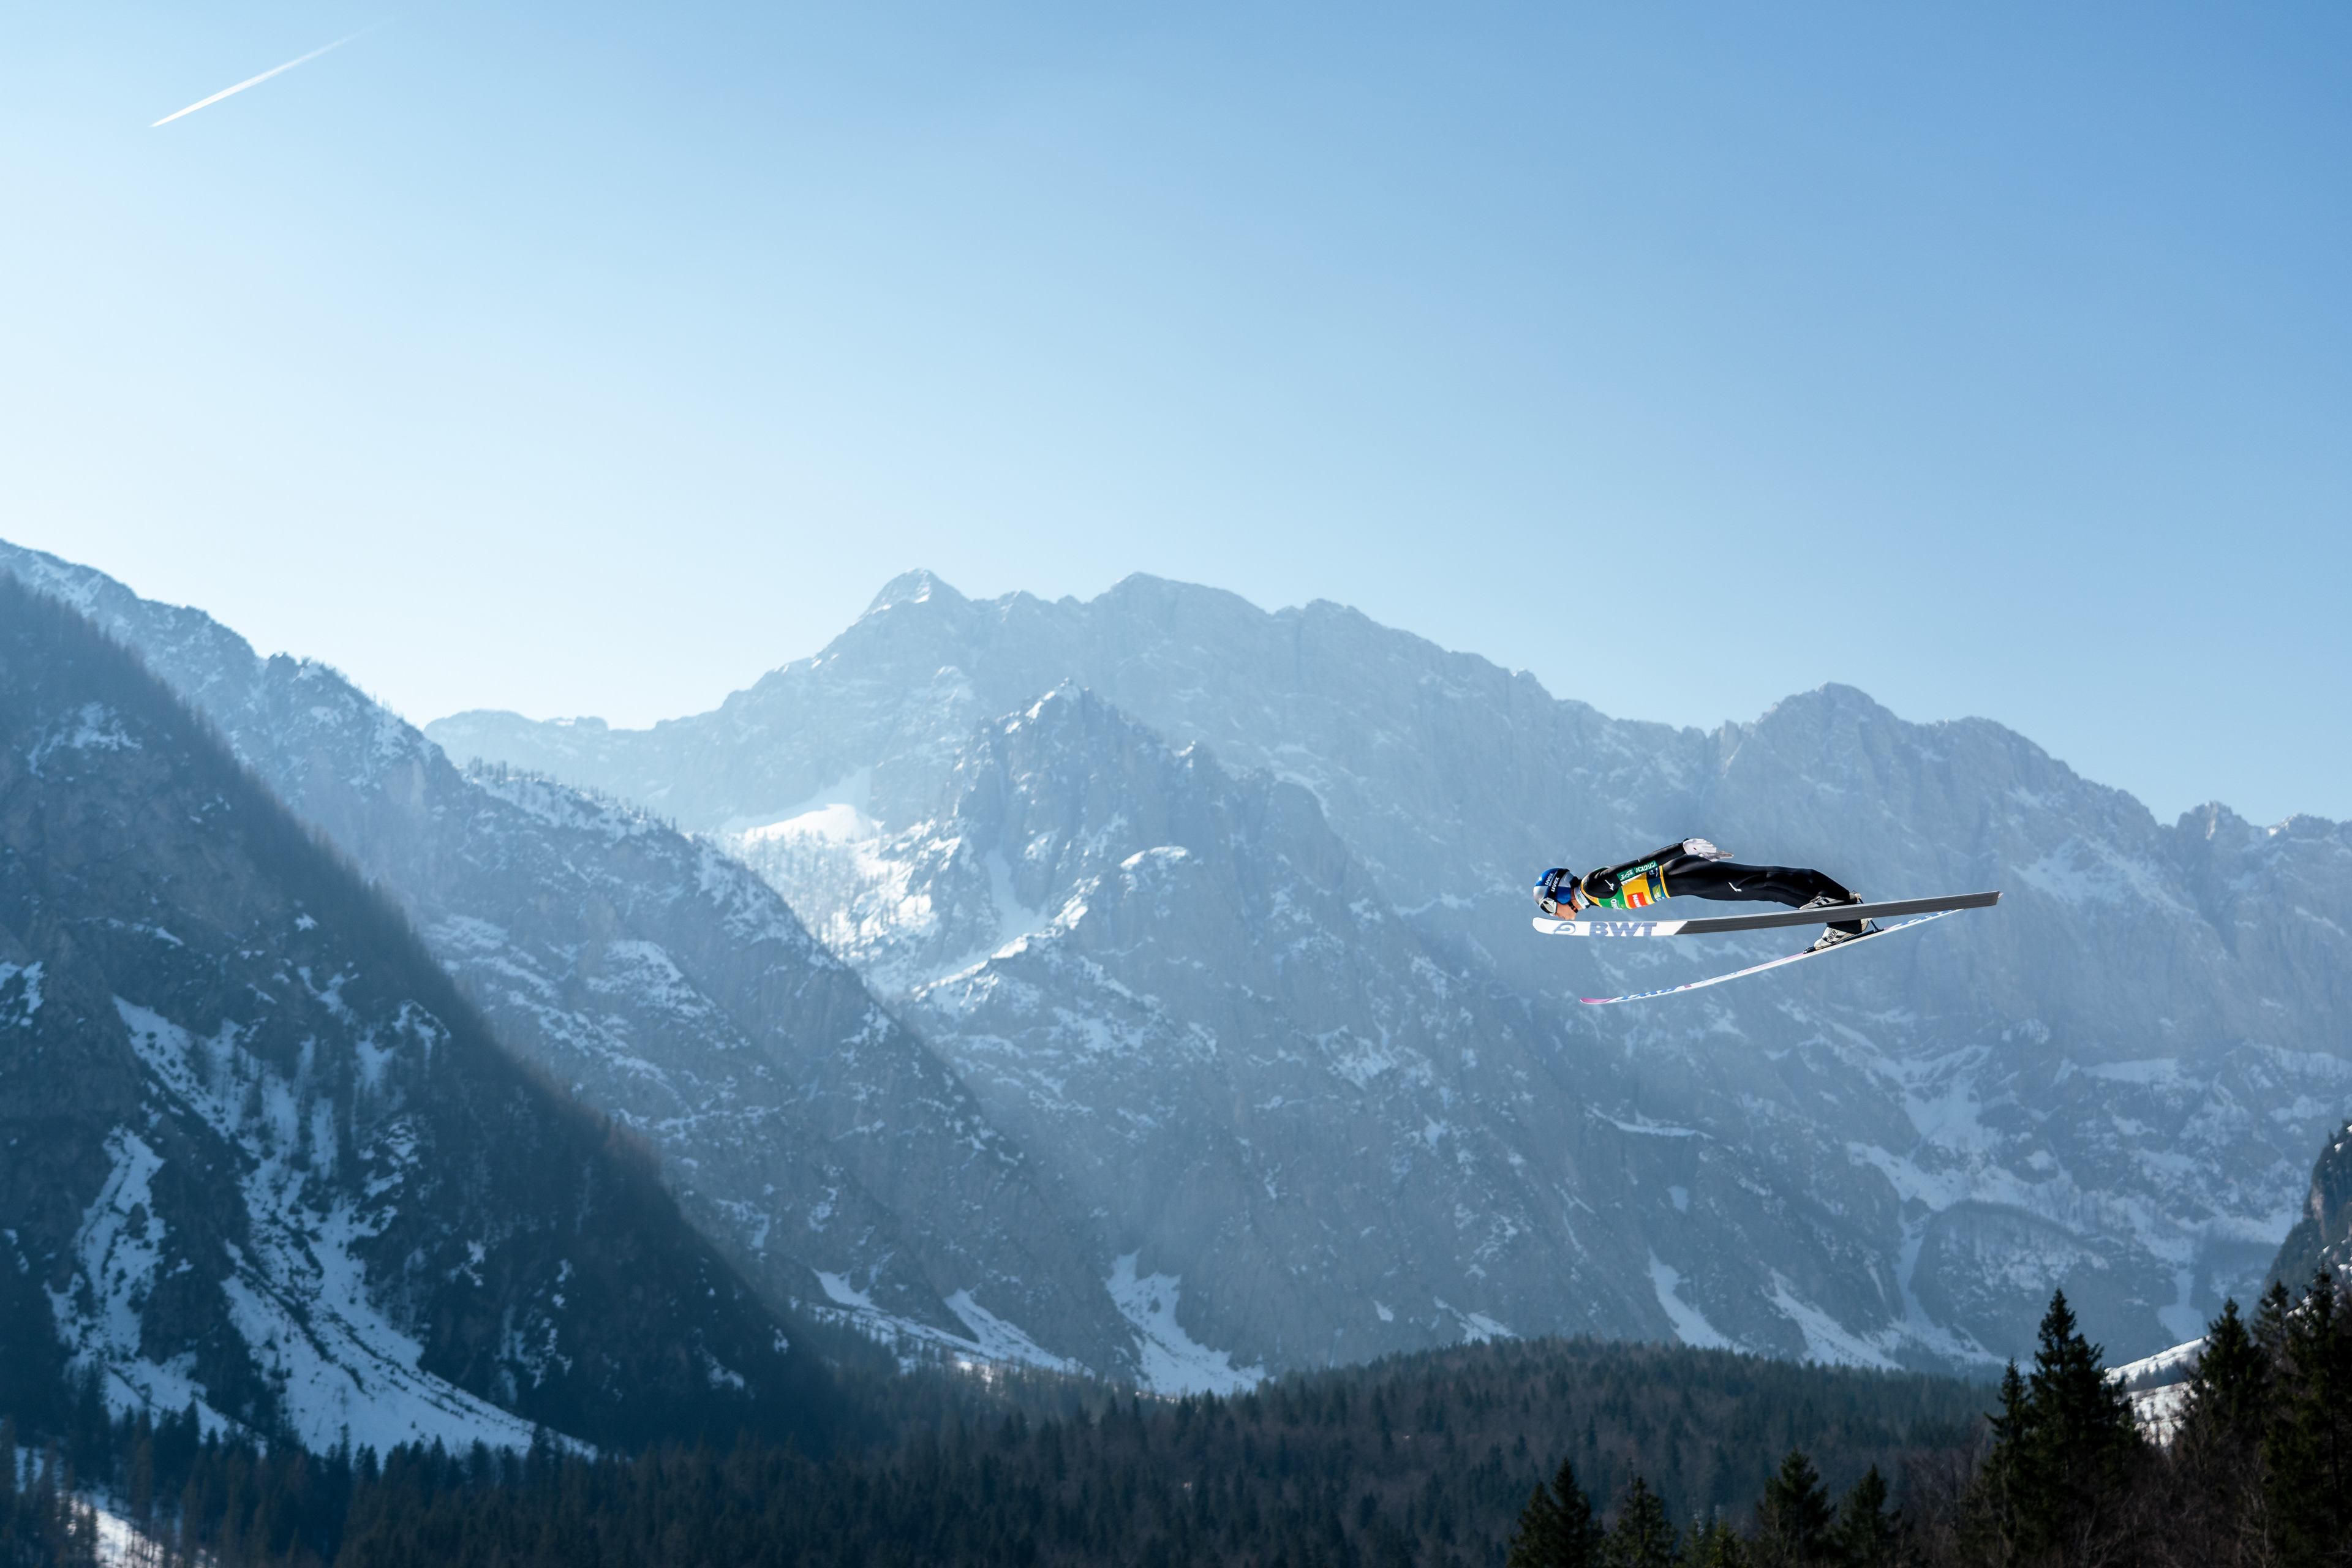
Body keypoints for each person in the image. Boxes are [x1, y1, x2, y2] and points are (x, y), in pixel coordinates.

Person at [1534, 838, 1877, 951]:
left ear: (1557, 896)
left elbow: (1638, 867)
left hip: (1683, 877)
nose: (1555, 914)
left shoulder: (1593, 886)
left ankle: (1846, 915)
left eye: (1550, 908)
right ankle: (1843, 911)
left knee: (1765, 884)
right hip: (1685, 882)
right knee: (1764, 886)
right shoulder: (1593, 895)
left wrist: (1683, 848)